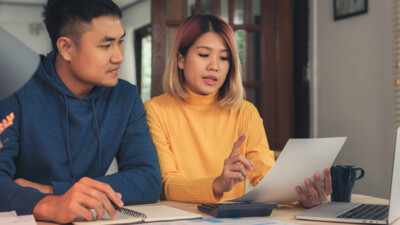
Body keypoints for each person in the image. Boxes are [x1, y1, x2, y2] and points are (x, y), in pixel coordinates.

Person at [144, 14, 331, 208]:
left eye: (224, 57)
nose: (214, 66)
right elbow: (166, 185)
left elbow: (268, 181)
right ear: (180, 60)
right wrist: (217, 184)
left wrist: (303, 196)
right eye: (203, 55)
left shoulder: (245, 112)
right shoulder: (156, 111)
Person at [0, 0, 162, 223]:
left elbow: (148, 179)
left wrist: (52, 191)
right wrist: (48, 205)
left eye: (121, 41)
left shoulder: (125, 96)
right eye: (106, 45)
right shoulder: (15, 88)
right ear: (66, 48)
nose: (119, 57)